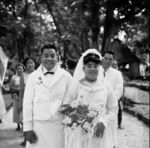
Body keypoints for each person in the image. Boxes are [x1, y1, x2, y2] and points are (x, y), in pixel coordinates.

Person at [63, 49, 118, 148]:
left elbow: (113, 108)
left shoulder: (106, 86)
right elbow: (66, 106)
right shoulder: (76, 86)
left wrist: (104, 122)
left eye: (95, 66)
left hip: (99, 132)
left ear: (99, 67)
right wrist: (79, 118)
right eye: (89, 66)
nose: (92, 69)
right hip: (80, 133)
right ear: (83, 68)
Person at [23, 44, 72, 148]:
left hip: (59, 126)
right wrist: (27, 128)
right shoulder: (33, 77)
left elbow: (73, 99)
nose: (49, 58)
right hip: (38, 126)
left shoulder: (66, 76)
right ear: (41, 57)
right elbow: (27, 103)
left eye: (52, 55)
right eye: (46, 55)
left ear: (57, 57)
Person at [99, 51, 124, 148]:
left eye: (110, 59)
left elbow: (119, 89)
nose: (108, 61)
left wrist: (109, 102)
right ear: (102, 58)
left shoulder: (117, 74)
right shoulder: (96, 71)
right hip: (98, 107)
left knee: (110, 131)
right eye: (106, 58)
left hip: (110, 107)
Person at [19, 57, 35, 147]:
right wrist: (20, 103)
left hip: (37, 102)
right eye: (28, 63)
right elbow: (21, 90)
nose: (30, 64)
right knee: (26, 120)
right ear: (25, 65)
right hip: (26, 101)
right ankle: (27, 139)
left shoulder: (39, 73)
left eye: (32, 62)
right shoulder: (23, 75)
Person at [9, 63, 24, 130]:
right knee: (17, 111)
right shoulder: (13, 77)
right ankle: (18, 124)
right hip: (16, 96)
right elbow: (11, 87)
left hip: (24, 96)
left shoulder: (25, 77)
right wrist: (17, 89)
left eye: (21, 68)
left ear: (23, 69)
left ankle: (24, 124)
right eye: (18, 69)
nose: (19, 70)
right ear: (16, 70)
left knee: (23, 111)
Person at [111, 60, 124, 129]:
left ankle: (119, 124)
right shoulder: (108, 73)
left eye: (115, 64)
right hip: (110, 95)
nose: (114, 66)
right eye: (113, 64)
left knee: (119, 110)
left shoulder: (119, 73)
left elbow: (121, 86)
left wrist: (121, 97)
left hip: (118, 96)